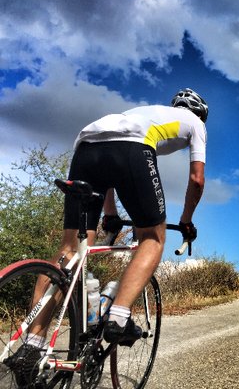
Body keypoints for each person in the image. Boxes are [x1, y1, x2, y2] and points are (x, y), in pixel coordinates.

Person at [29, 88, 208, 347]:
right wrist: (186, 221)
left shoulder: (140, 112)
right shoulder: (197, 123)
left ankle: (32, 344)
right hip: (132, 149)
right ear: (200, 113)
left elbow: (110, 165)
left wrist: (110, 214)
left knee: (70, 250)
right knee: (152, 239)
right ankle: (119, 319)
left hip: (86, 147)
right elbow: (197, 179)